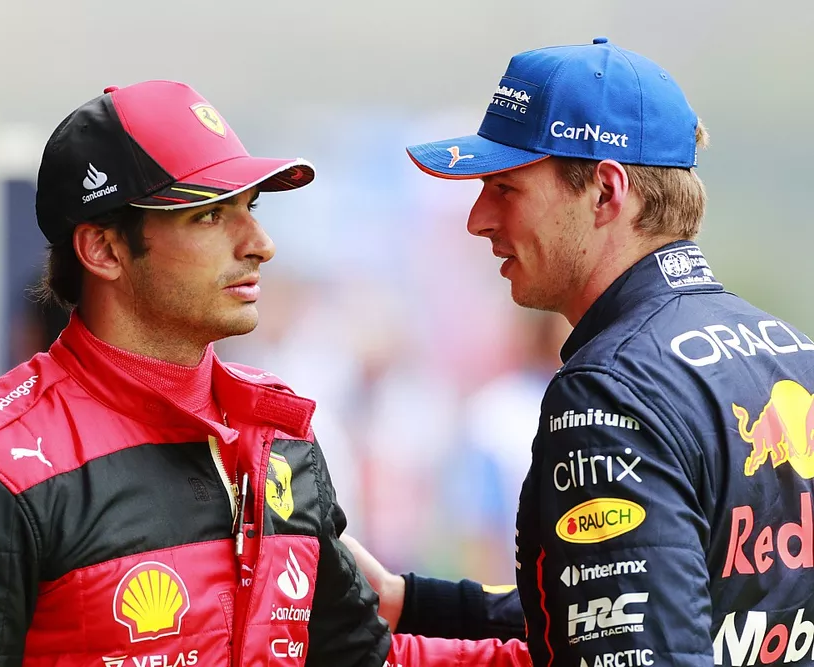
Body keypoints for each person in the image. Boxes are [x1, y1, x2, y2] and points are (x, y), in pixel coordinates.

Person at [0, 80, 528, 666]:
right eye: (210, 214)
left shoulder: (280, 440)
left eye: (253, 209)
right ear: (103, 248)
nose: (259, 244)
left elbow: (358, 654)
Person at [344, 36, 814, 666]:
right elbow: (651, 598)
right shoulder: (792, 350)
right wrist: (412, 602)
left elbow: (638, 643)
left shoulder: (609, 388)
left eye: (505, 189)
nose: (477, 219)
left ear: (606, 192)